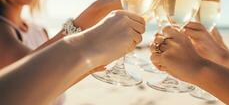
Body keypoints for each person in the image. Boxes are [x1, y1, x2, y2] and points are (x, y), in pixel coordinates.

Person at [0, 10, 145, 105]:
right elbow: (24, 84)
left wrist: (88, 66)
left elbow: (54, 85)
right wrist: (97, 9)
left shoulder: (39, 30)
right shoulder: (3, 31)